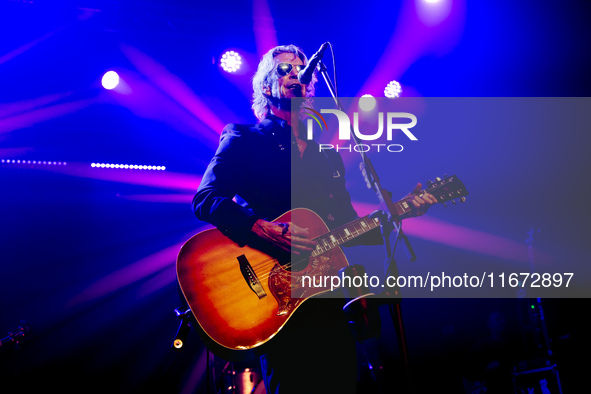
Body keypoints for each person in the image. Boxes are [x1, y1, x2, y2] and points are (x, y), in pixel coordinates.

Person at [193, 44, 436, 394]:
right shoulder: (243, 138)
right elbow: (205, 199)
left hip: (329, 297)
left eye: (301, 68)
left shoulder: (327, 157)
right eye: (284, 69)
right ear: (266, 86)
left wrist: (402, 210)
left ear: (310, 85)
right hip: (276, 300)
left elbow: (347, 228)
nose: (295, 73)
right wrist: (263, 228)